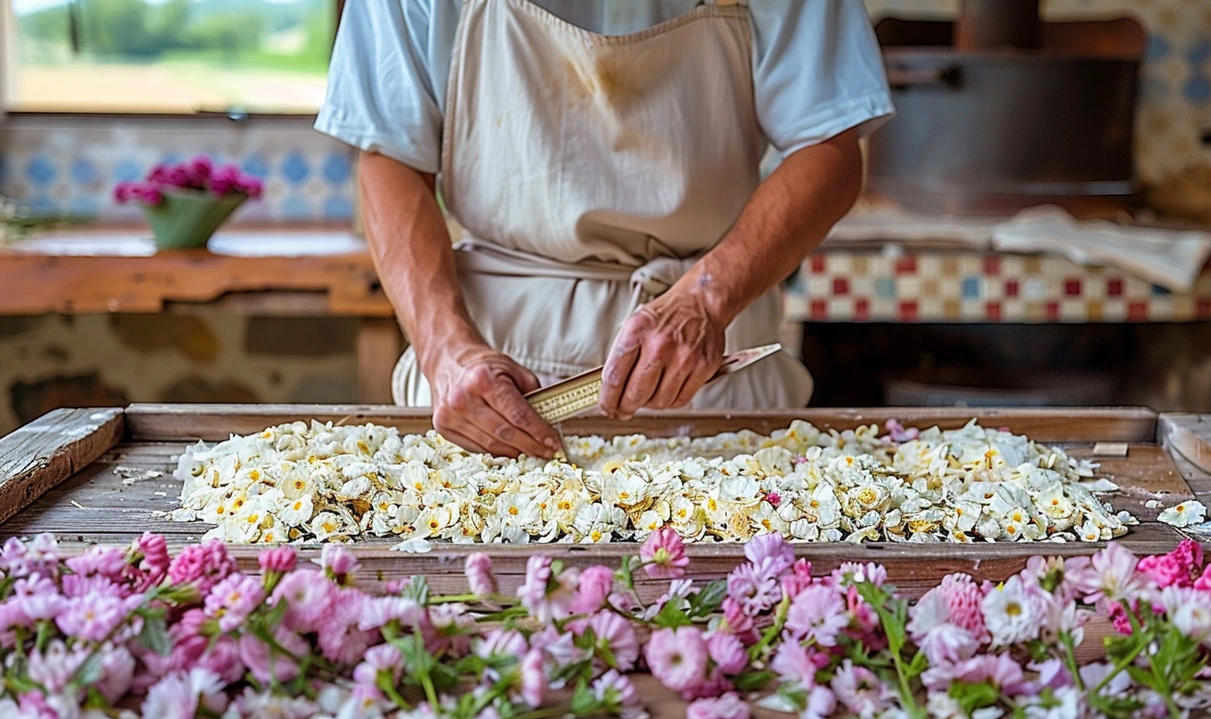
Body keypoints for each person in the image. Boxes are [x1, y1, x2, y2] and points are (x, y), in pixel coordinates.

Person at [316, 0, 894, 458]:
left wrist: (706, 298)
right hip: (489, 373)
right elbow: (387, 152)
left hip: (706, 364)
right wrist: (445, 350)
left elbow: (830, 146)